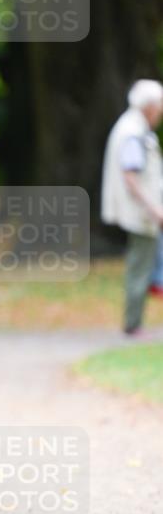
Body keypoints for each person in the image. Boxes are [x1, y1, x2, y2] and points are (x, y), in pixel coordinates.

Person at [101, 79, 163, 335]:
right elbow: (131, 176)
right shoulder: (133, 132)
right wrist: (155, 210)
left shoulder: (132, 127)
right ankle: (133, 325)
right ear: (148, 106)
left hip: (144, 213)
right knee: (140, 266)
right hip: (142, 214)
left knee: (144, 264)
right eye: (160, 104)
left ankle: (134, 322)